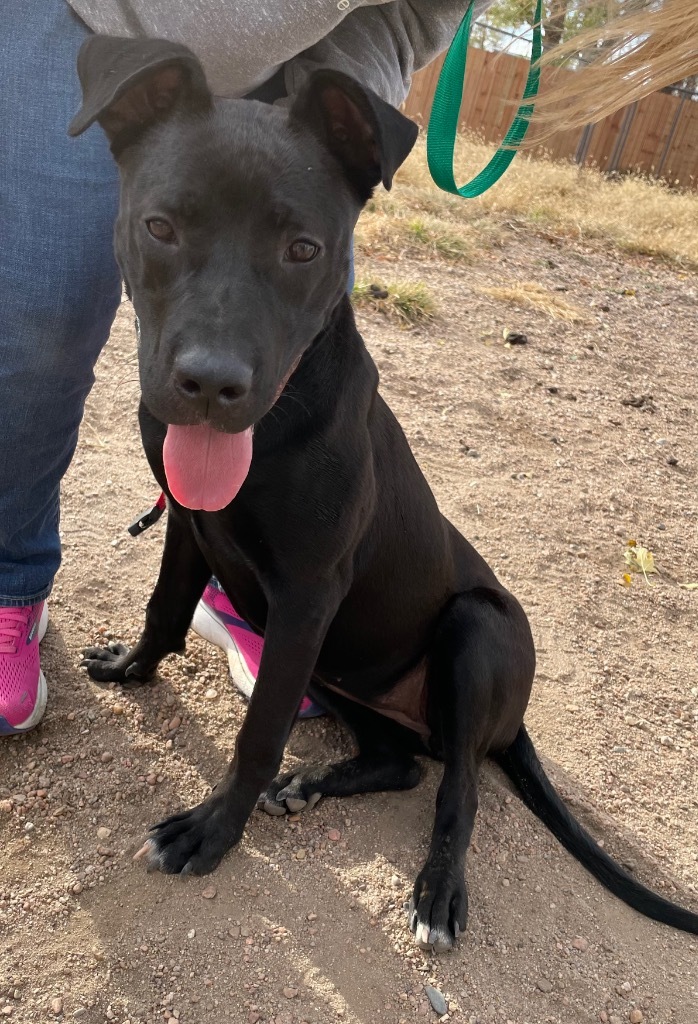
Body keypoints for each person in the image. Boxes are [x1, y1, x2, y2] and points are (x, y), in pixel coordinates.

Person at [0, 0, 482, 734]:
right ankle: (8, 581)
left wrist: (330, 129)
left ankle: (248, 585)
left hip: (328, 44)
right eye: (163, 228)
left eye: (301, 250)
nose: (212, 366)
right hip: (85, 14)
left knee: (296, 401)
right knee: (38, 320)